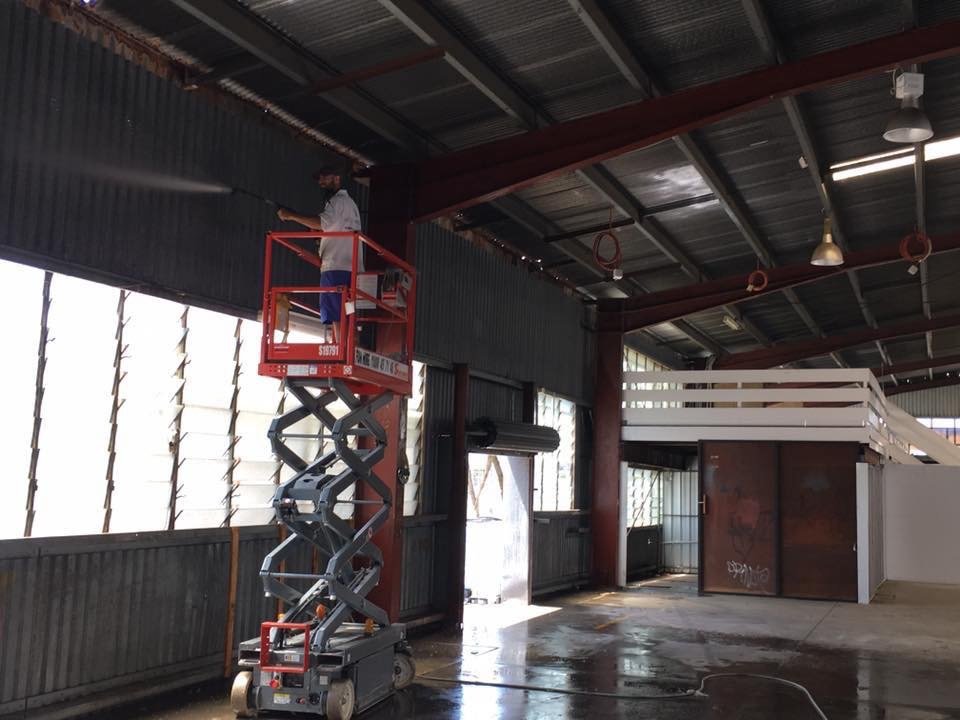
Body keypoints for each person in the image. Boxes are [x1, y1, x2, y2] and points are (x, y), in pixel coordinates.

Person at [277, 166, 363, 345]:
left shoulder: (336, 202)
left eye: (325, 177)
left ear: (337, 178)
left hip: (335, 266)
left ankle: (340, 350)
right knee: (347, 311)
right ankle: (346, 348)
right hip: (352, 267)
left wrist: (291, 216)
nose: (321, 182)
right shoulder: (350, 204)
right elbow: (332, 227)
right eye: (320, 179)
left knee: (336, 313)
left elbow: (321, 222)